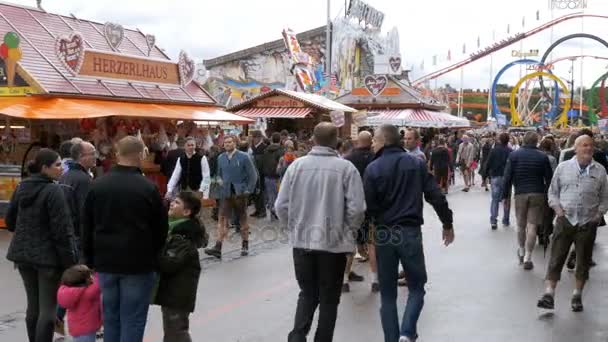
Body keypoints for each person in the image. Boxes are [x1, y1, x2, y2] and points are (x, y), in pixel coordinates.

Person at [276, 122, 366, 342]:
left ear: (313, 140)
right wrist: (348, 233)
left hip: (303, 242)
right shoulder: (346, 169)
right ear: (336, 141)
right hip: (333, 245)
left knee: (307, 293)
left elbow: (280, 205)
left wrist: (294, 227)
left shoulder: (296, 166)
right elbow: (357, 209)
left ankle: (297, 336)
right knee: (328, 298)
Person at [364, 125, 454, 342]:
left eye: (375, 139)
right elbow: (435, 195)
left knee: (387, 295)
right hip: (409, 232)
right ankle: (407, 332)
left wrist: (366, 235)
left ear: (385, 141)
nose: (372, 143)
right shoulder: (416, 164)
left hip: (385, 232)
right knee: (416, 287)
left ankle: (393, 338)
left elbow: (368, 206)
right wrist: (447, 223)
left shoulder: (373, 168)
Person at [81, 136, 168, 342]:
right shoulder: (148, 188)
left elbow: (86, 226)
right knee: (133, 318)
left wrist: (90, 260)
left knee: (111, 317)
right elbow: (161, 229)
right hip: (138, 263)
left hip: (105, 262)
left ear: (117, 155)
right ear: (141, 154)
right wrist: (155, 257)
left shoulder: (97, 186)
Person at [6, 148, 77, 342]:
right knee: (48, 309)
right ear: (44, 168)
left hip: (22, 255)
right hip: (48, 258)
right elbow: (62, 230)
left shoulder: (22, 187)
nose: (61, 167)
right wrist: (70, 262)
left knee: (33, 306)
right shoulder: (53, 190)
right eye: (57, 164)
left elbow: (10, 220)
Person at [537, 135, 608, 312]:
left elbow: (605, 198)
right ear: (575, 148)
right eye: (584, 145)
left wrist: (598, 215)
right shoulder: (563, 168)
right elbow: (552, 193)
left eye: (591, 146)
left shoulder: (600, 171)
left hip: (587, 223)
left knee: (583, 262)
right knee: (556, 258)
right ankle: (549, 294)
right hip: (565, 220)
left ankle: (577, 295)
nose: (589, 148)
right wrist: (558, 209)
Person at [155, 192, 207, 342]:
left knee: (176, 333)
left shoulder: (182, 236)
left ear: (186, 212)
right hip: (173, 292)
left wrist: (153, 252)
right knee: (173, 332)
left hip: (177, 294)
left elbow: (169, 264)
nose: (172, 204)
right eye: (173, 201)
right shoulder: (172, 229)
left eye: (177, 203)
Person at [503, 132, 552, 270]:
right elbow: (549, 178)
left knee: (520, 225)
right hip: (538, 193)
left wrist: (505, 196)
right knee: (532, 226)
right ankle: (528, 257)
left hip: (520, 194)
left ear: (524, 141)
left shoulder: (514, 155)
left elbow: (507, 177)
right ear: (537, 141)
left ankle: (521, 249)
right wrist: (549, 197)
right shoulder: (543, 156)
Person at [204, 135, 258, 258]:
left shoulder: (244, 157)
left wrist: (249, 190)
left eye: (230, 142)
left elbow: (253, 175)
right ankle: (218, 246)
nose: (227, 144)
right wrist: (218, 183)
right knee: (222, 219)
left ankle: (245, 245)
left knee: (242, 219)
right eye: (225, 142)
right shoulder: (221, 157)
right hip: (225, 192)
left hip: (240, 193)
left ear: (235, 143)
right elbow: (218, 174)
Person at [344, 131, 378, 292]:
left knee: (350, 241)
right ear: (371, 142)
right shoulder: (377, 158)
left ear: (357, 141)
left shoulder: (348, 160)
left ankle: (344, 279)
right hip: (372, 205)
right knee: (372, 243)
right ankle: (375, 280)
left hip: (353, 204)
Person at [57, 265, 102, 342]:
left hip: (75, 328)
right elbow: (99, 284)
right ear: (86, 279)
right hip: (87, 328)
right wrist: (97, 272)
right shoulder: (88, 292)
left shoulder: (67, 291)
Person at [485, 133, 512, 230]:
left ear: (500, 140)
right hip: (506, 178)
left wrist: (485, 175)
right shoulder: (511, 151)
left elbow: (488, 163)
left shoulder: (494, 151)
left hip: (495, 176)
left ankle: (493, 220)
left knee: (495, 199)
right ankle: (506, 219)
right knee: (506, 199)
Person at [259, 132, 283, 221]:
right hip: (277, 177)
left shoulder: (265, 150)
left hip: (267, 176)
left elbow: (263, 162)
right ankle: (277, 213)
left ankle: (272, 215)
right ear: (280, 140)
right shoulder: (281, 150)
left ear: (271, 139)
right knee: (279, 196)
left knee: (270, 196)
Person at [250, 130, 268, 218]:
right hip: (253, 173)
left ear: (259, 138)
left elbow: (264, 162)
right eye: (253, 137)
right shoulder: (253, 147)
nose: (253, 139)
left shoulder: (264, 147)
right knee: (254, 192)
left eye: (254, 137)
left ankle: (262, 211)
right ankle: (257, 209)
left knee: (260, 193)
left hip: (260, 173)